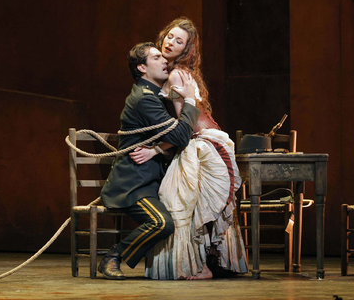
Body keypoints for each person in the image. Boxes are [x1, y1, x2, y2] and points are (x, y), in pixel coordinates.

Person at [130, 18, 248, 280]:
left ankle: (198, 267)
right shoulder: (174, 71)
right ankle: (207, 265)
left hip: (202, 142)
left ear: (185, 50)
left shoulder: (174, 74)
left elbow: (187, 127)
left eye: (178, 41)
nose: (170, 42)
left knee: (180, 203)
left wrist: (156, 150)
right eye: (170, 36)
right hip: (206, 139)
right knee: (189, 204)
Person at [97, 42, 200, 280]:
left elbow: (172, 137)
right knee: (162, 223)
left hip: (152, 182)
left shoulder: (156, 96)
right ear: (142, 68)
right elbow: (180, 136)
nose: (164, 60)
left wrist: (156, 149)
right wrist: (191, 101)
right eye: (156, 58)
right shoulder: (144, 98)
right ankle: (114, 256)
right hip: (133, 185)